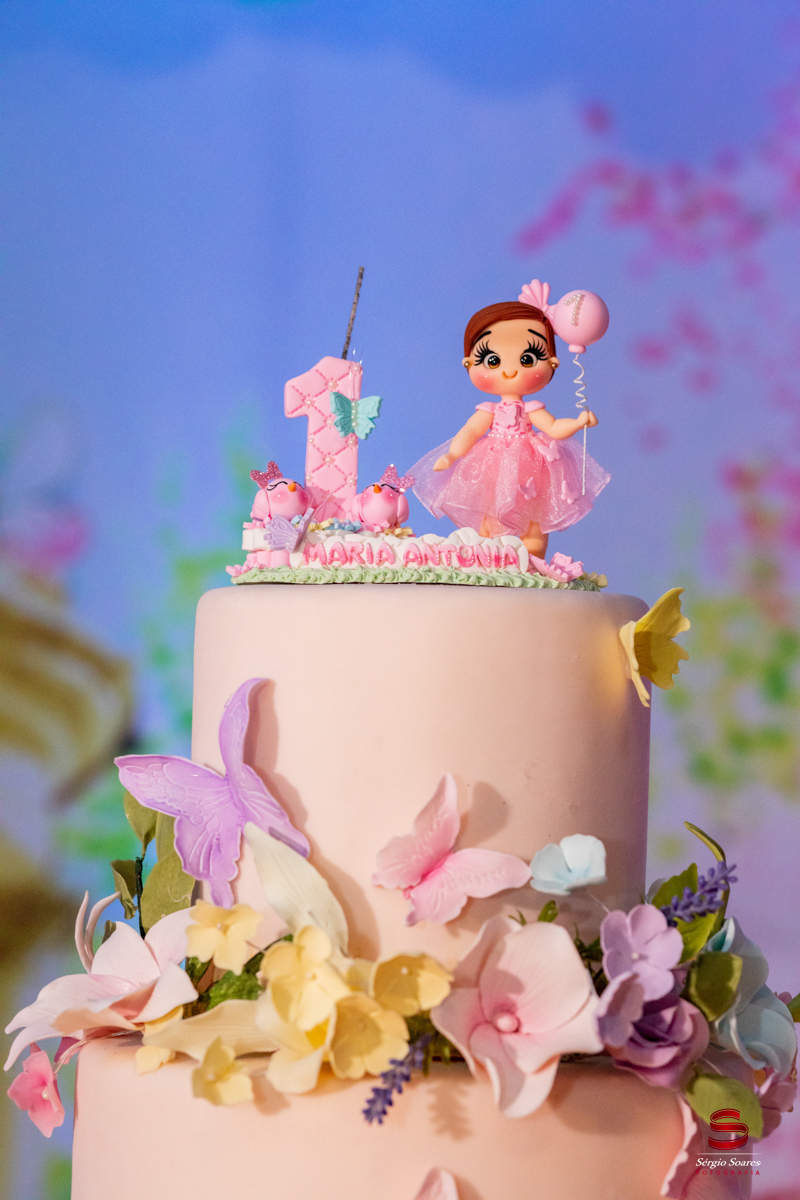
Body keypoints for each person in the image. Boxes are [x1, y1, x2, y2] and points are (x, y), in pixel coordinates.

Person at [410, 298, 609, 557]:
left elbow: (553, 427)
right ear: (468, 362)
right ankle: (489, 554)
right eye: (492, 360)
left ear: (552, 362)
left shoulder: (532, 409)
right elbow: (470, 432)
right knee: (490, 510)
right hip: (492, 462)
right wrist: (452, 454)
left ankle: (533, 556)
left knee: (535, 512)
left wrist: (578, 422)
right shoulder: (488, 410)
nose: (509, 371)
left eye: (527, 359)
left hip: (532, 465)